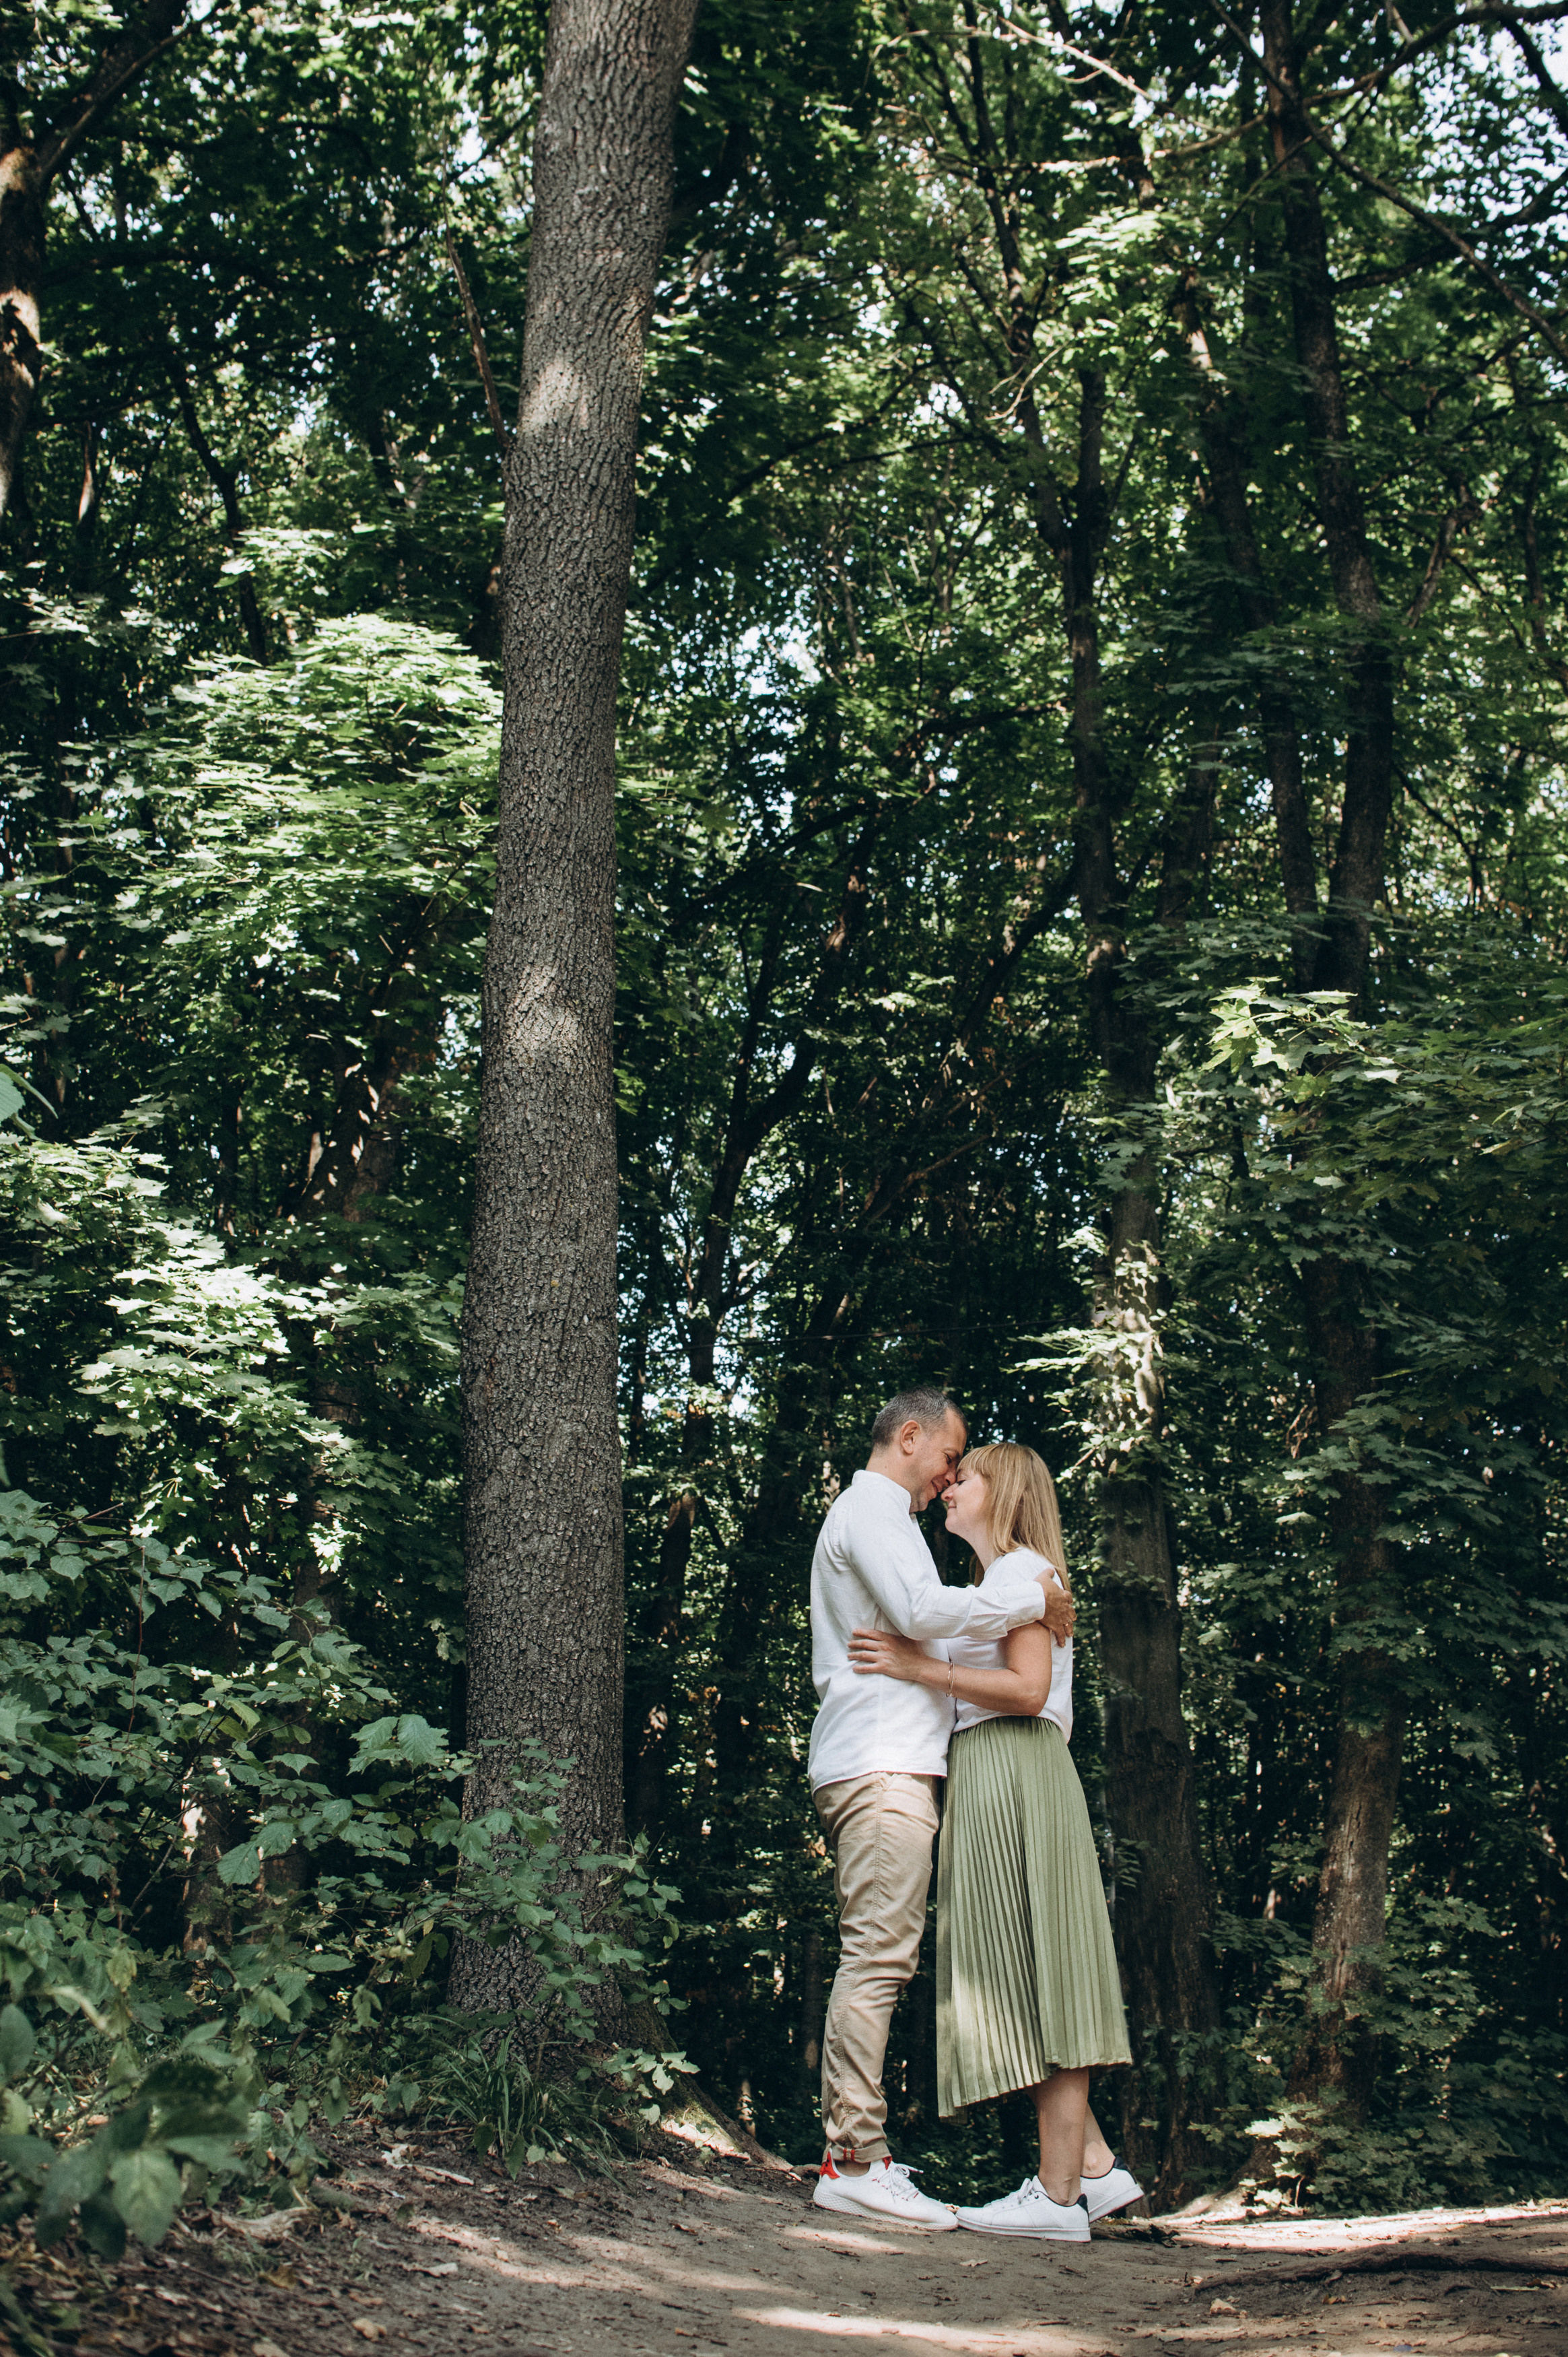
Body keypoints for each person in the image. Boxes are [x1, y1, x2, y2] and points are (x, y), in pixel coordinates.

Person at [848, 1441, 1143, 2243]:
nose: (948, 1485)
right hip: (990, 1771)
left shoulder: (1021, 1575)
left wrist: (917, 1667)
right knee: (1020, 1963)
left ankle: (1054, 2200)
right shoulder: (993, 1583)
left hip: (1018, 1766)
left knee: (1044, 1963)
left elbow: (1027, 1689)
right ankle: (1094, 2169)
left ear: (1002, 1490)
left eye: (963, 1475)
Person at [807, 1389, 1073, 2231]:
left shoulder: (881, 1518)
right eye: (948, 1457)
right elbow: (923, 1615)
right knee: (879, 1955)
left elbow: (930, 1632)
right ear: (910, 1438)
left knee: (882, 1952)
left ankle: (863, 2150)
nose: (951, 1475)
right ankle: (854, 2156)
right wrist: (1030, 1599)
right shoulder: (874, 1511)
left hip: (887, 1759)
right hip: (882, 1761)